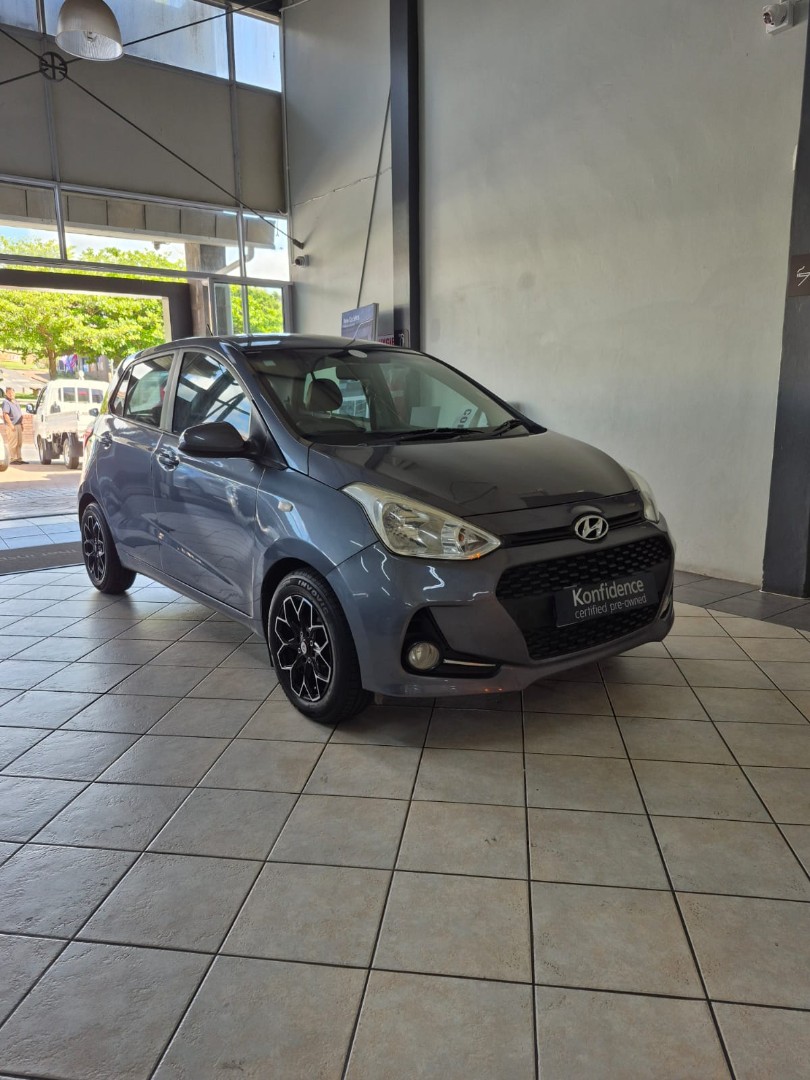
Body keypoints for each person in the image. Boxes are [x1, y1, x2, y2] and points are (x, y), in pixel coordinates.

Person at [2, 387, 26, 464]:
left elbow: (19, 413)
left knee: (19, 443)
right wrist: (11, 425)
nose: (11, 394)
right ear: (6, 394)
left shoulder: (15, 402)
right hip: (12, 425)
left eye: (12, 392)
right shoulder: (6, 402)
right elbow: (5, 415)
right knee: (13, 443)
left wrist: (21, 424)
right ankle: (13, 459)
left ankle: (19, 458)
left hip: (18, 424)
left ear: (14, 393)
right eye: (9, 393)